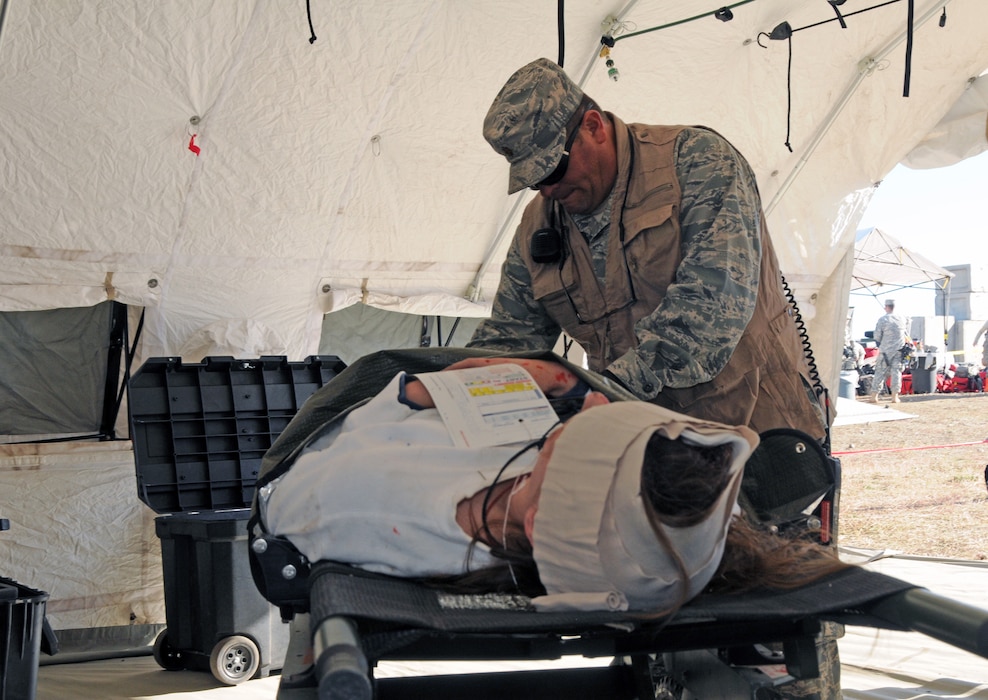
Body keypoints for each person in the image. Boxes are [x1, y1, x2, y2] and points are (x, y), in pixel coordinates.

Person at [258, 356, 846, 615]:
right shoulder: (561, 519)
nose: (591, 399)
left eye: (583, 427)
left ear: (545, 520)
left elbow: (287, 495)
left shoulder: (355, 500)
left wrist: (448, 386)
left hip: (306, 449)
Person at [467, 58, 830, 441]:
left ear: (592, 126)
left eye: (553, 170)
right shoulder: (538, 224)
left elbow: (710, 309)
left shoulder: (696, 162)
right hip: (641, 441)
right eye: (534, 180)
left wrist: (602, 393)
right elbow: (511, 337)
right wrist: (459, 384)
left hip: (758, 435)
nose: (548, 190)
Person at [869, 299, 911, 404]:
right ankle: (894, 397)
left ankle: (874, 396)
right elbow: (906, 333)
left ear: (887, 307)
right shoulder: (902, 318)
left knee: (879, 372)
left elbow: (877, 336)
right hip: (898, 351)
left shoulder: (883, 319)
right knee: (896, 373)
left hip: (885, 351)